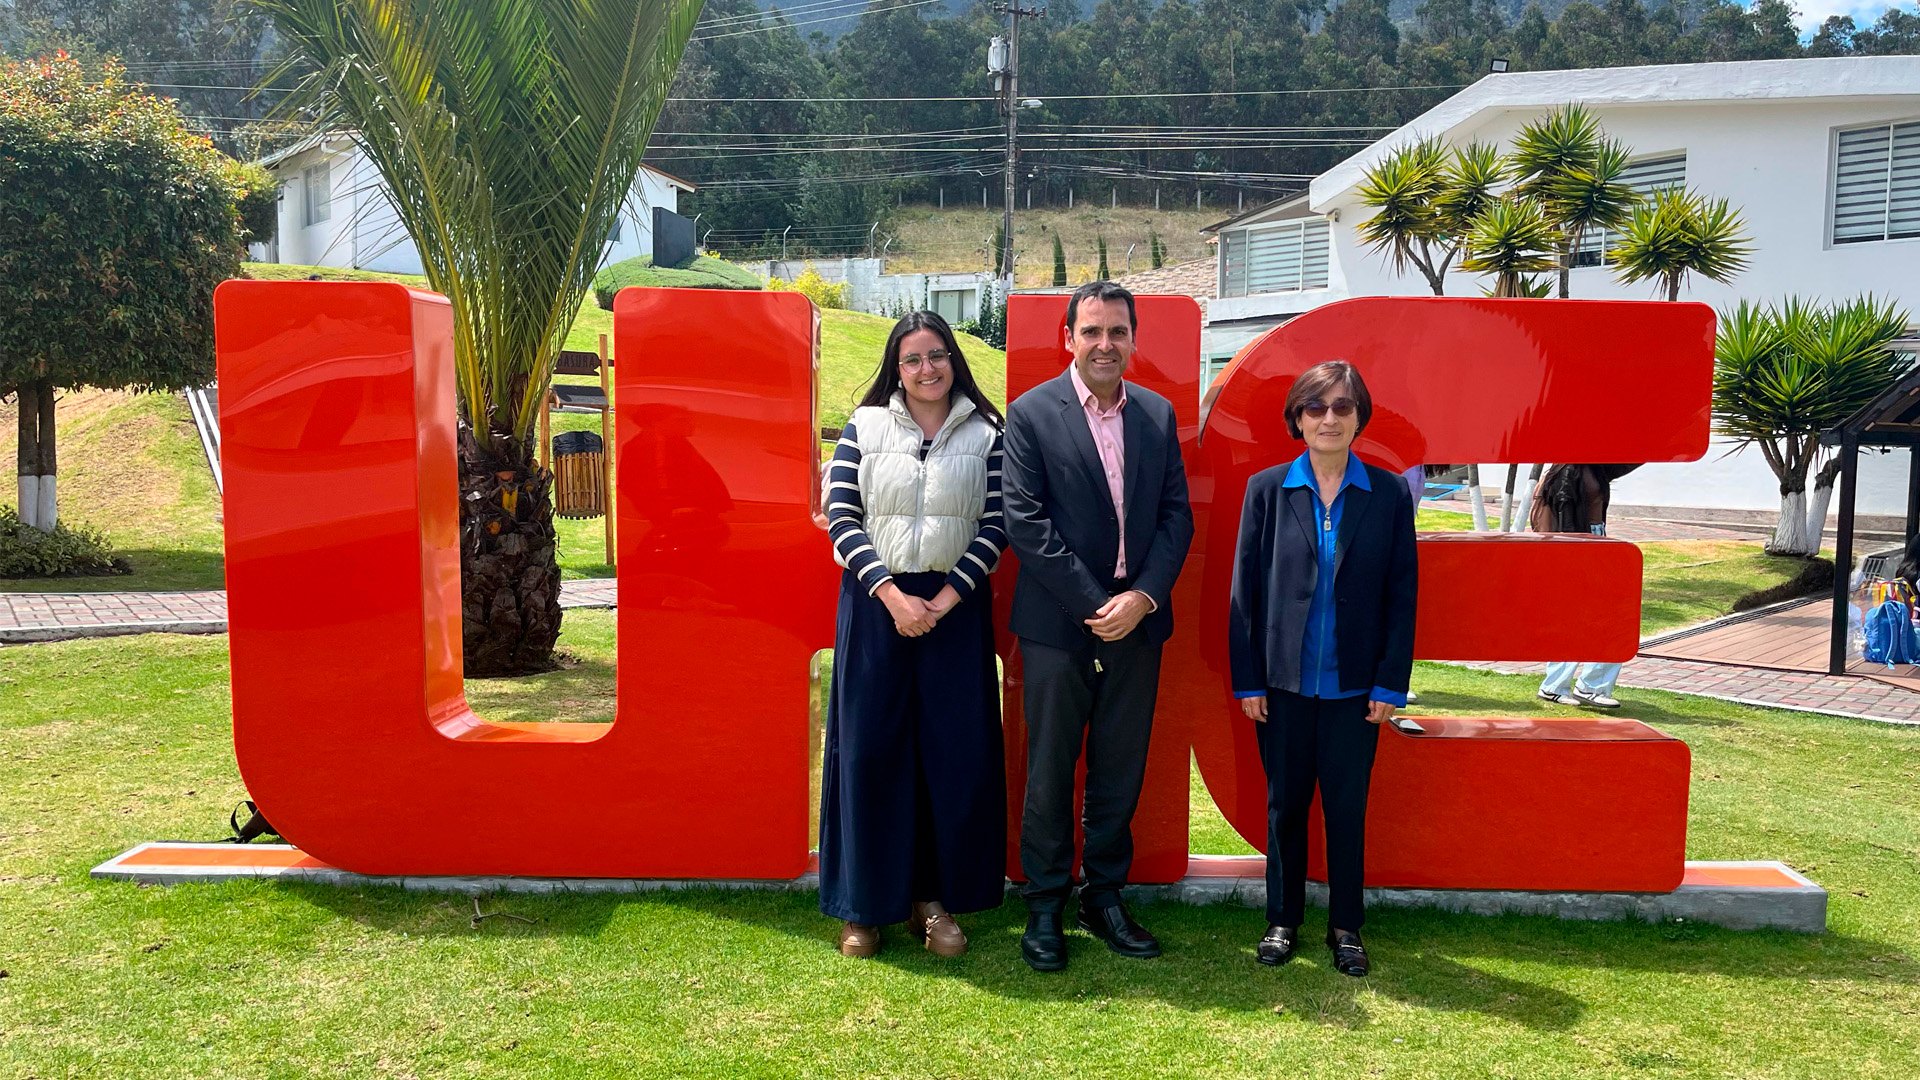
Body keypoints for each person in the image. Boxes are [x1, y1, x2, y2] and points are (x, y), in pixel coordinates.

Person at [1002, 281, 1194, 972]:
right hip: (1059, 623)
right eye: (1092, 331)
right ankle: (1047, 902)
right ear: (1068, 338)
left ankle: (1103, 895)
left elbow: (1177, 517)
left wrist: (1140, 598)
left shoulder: (1155, 414)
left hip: (1139, 624)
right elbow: (1025, 522)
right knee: (1050, 767)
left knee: (1120, 766)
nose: (1105, 344)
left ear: (1134, 340)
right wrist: (1097, 603)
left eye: (1117, 331)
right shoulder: (1029, 415)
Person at [817, 310, 1009, 959]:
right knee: (869, 753)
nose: (927, 369)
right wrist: (895, 596)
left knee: (950, 758)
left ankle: (934, 901)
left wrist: (945, 597)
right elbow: (842, 515)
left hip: (955, 610)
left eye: (937, 355)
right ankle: (863, 908)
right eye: (912, 359)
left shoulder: (987, 432)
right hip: (876, 607)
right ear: (895, 369)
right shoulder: (866, 427)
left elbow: (997, 523)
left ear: (953, 358)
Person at [1228, 360, 1417, 978]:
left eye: (1342, 406)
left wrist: (1391, 682)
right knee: (1284, 807)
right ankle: (1282, 920)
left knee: (1346, 808)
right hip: (1281, 688)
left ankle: (1346, 927)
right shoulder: (1266, 489)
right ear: (1297, 418)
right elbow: (1244, 593)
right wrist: (1249, 679)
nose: (1329, 418)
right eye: (1316, 407)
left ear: (1359, 415)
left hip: (1355, 689)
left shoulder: (1387, 494)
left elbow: (1401, 594)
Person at [1530, 463, 1641, 710]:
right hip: (1577, 548)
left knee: (1612, 617)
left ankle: (1587, 686)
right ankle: (1560, 686)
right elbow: (1563, 518)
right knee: (1575, 618)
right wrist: (1574, 557)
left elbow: (1625, 463)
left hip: (1594, 545)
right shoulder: (1566, 470)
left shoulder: (1596, 465)